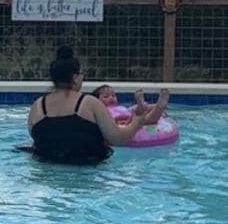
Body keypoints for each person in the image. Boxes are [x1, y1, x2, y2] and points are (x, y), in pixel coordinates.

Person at [26, 48, 167, 164]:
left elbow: (39, 139)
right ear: (74, 78)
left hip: (47, 172)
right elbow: (117, 139)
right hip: (87, 172)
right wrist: (137, 122)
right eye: (81, 74)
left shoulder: (37, 106)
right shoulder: (89, 103)